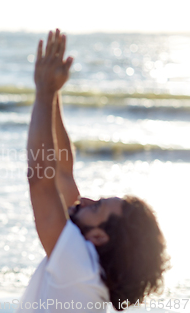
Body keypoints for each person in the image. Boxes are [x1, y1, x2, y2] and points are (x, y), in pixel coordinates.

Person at [19, 29, 169, 312]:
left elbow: (41, 179)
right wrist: (53, 95)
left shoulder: (79, 269)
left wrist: (44, 90)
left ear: (99, 237)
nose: (84, 201)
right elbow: (62, 172)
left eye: (97, 206)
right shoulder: (91, 273)